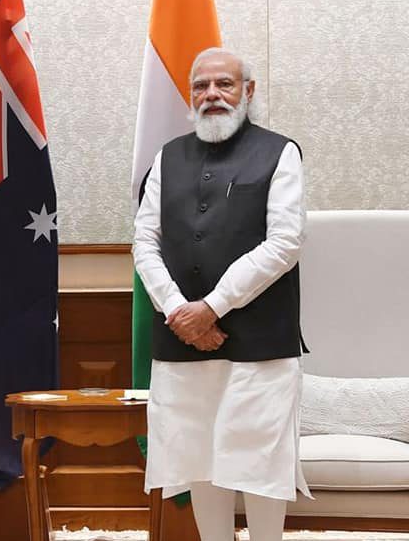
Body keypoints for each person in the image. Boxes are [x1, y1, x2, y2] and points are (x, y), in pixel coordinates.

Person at [133, 47, 311, 541]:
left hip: (260, 347)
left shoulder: (281, 152)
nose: (211, 94)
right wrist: (176, 310)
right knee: (198, 457)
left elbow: (285, 243)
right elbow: (144, 240)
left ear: (247, 92)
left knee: (259, 463)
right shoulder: (168, 155)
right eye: (200, 86)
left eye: (224, 84)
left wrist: (210, 307)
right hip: (181, 342)